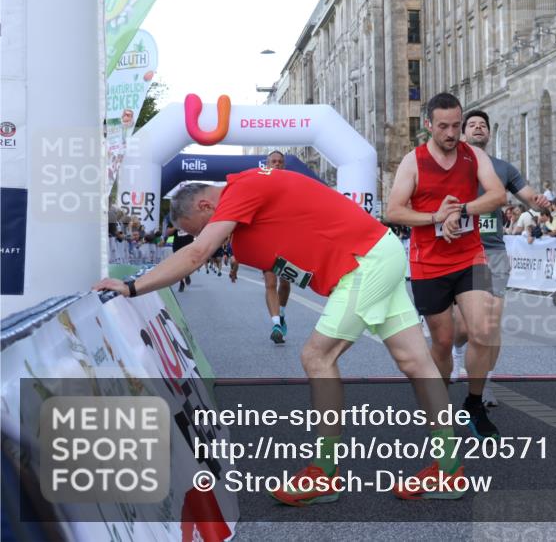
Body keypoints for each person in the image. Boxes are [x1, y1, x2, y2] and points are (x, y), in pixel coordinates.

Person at [94, 170, 468, 504]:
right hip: (375, 252)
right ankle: (449, 467)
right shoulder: (247, 201)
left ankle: (324, 472)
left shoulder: (243, 188)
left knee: (317, 357)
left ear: (208, 205)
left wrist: (132, 286)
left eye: (199, 227)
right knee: (414, 361)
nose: (207, 236)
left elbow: (197, 253)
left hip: (364, 261)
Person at [385, 93, 507, 440]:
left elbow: (498, 195)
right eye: (443, 127)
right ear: (429, 126)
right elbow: (394, 210)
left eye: (456, 125)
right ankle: (439, 410)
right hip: (428, 264)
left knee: (484, 329)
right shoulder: (414, 161)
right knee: (442, 341)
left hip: (471, 255)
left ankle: (474, 403)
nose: (451, 133)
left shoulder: (474, 155)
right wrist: (436, 217)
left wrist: (462, 211)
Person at [451, 109, 549, 406]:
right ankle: (458, 355)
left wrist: (540, 202)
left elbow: (528, 195)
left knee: (491, 324)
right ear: (463, 133)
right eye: (473, 125)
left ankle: (484, 385)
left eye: (483, 125)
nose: (478, 128)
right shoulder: (451, 165)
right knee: (464, 327)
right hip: (458, 251)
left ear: (488, 134)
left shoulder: (503, 168)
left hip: (491, 252)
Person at [260, 150, 293, 344]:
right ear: (267, 164)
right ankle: (275, 325)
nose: (277, 164)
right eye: (273, 161)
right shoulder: (261, 183)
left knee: (285, 284)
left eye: (280, 161)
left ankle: (281, 314)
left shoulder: (291, 182)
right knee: (270, 283)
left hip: (287, 239)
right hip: (267, 239)